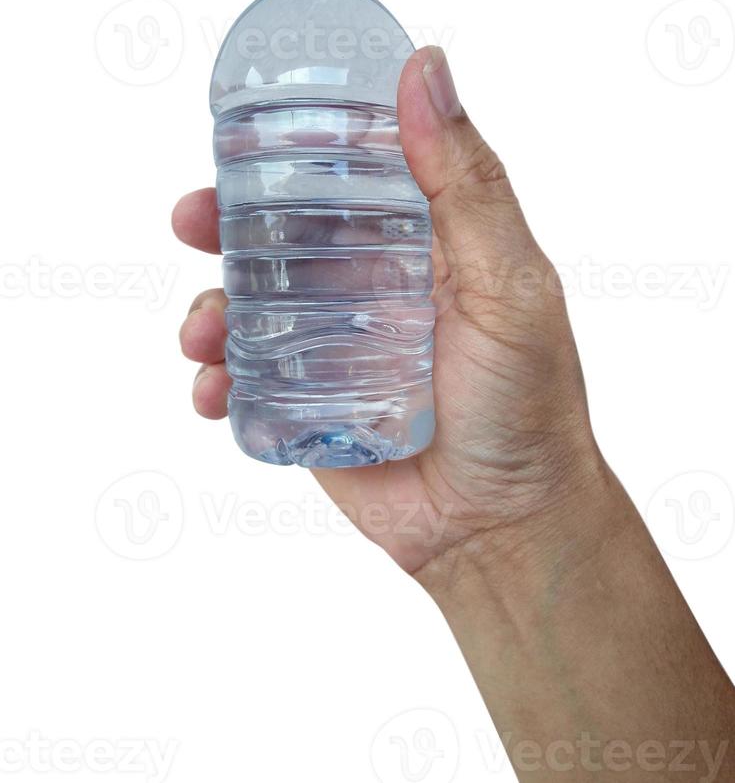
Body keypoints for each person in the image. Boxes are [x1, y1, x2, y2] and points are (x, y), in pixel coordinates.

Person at [172, 47, 734, 781]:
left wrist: (518, 516)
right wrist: (506, 531)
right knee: (256, 270)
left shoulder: (308, 47)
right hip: (346, 411)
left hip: (394, 409)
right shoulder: (268, 47)